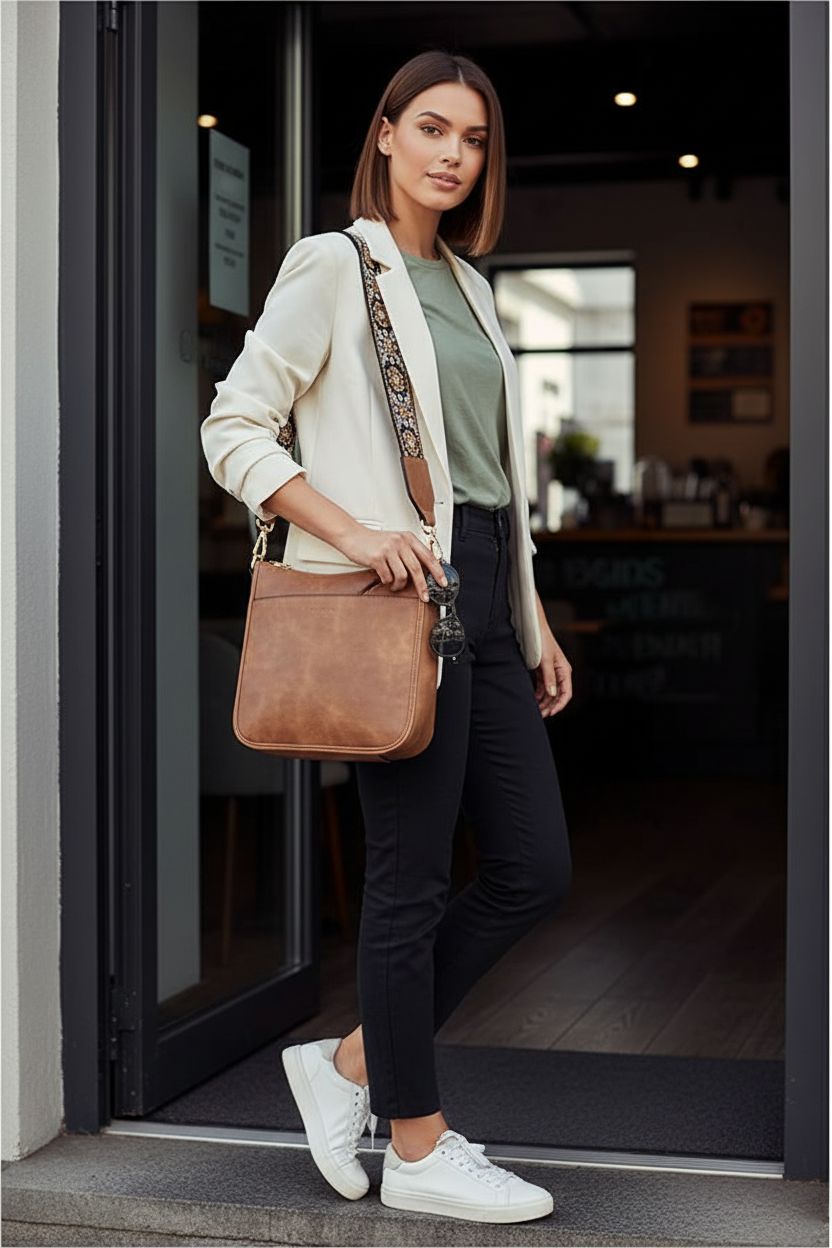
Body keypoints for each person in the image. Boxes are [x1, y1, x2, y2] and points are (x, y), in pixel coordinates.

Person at [201, 48, 573, 1225]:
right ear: (383, 136)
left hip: (485, 598)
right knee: (409, 882)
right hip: (392, 599)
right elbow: (234, 428)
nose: (452, 155)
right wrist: (356, 533)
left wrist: (532, 613)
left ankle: (352, 1062)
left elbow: (488, 479)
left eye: (471, 139)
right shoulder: (333, 265)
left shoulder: (468, 286)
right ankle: (415, 1144)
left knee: (532, 867)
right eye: (430, 129)